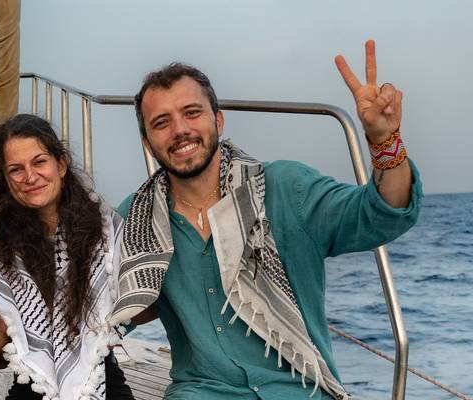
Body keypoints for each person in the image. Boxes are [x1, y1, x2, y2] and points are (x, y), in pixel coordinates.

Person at [111, 40, 422, 399]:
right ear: (148, 142)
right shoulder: (135, 220)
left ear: (218, 120)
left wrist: (385, 142)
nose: (180, 130)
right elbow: (105, 309)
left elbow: (382, 214)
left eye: (192, 112)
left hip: (299, 391)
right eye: (161, 123)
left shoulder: (287, 189)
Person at [0, 114, 130, 399]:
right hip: (31, 384)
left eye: (39, 162)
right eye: (16, 169)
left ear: (60, 165)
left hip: (99, 380)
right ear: (6, 180)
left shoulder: (107, 230)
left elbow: (134, 314)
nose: (30, 177)